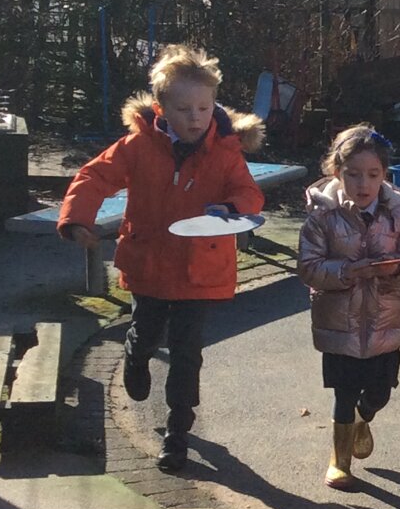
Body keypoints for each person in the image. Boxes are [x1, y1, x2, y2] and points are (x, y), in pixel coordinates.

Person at [60, 44, 264, 474]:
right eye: (184, 108)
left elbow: (248, 193)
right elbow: (94, 176)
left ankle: (177, 432)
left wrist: (231, 208)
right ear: (161, 108)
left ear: (214, 106)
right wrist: (78, 220)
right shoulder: (139, 145)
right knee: (147, 332)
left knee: (188, 354)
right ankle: (136, 355)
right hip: (150, 264)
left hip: (199, 270)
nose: (195, 117)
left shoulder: (225, 151)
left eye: (204, 108)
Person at [298, 124, 400, 490]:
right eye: (353, 174)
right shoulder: (322, 214)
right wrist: (345, 271)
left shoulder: (397, 211)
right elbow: (308, 267)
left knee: (381, 390)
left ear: (384, 175)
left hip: (384, 317)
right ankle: (339, 461)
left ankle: (363, 416)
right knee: (343, 390)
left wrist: (398, 268)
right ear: (337, 173)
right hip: (339, 319)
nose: (363, 183)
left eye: (372, 174)